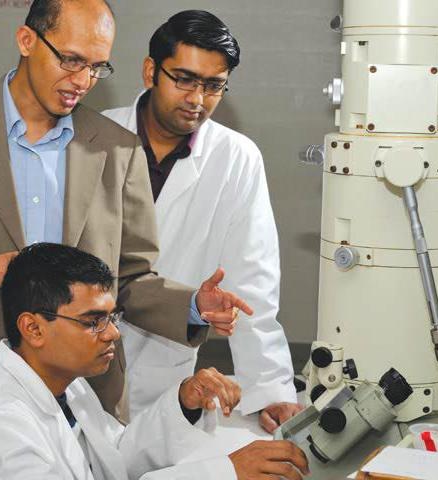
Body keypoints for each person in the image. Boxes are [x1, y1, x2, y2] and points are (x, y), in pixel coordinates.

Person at [0, 0, 251, 421]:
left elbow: (129, 277)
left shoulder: (118, 148)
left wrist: (191, 305)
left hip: (86, 388)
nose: (83, 80)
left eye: (97, 67)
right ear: (26, 40)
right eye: (72, 60)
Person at [0, 243, 310, 480]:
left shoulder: (66, 385)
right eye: (93, 321)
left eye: (112, 318)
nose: (113, 334)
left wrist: (184, 402)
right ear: (33, 328)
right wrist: (225, 473)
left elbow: (116, 458)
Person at [103, 10, 301, 432]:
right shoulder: (93, 137)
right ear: (150, 71)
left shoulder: (236, 157)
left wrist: (270, 386)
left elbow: (252, 281)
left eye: (214, 85)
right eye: (185, 79)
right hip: (81, 358)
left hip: (166, 368)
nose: (197, 98)